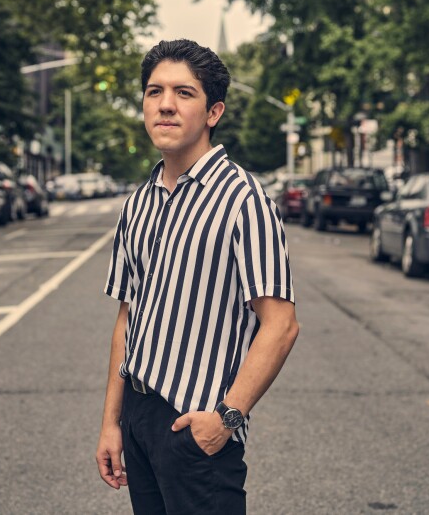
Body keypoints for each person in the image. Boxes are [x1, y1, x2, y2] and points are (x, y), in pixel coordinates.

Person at [95, 39, 299, 514]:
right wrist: (112, 423)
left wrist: (227, 417)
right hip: (139, 418)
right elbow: (128, 319)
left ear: (213, 112)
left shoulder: (243, 199)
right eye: (154, 91)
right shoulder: (139, 202)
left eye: (184, 93)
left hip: (197, 425)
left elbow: (282, 324)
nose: (165, 104)